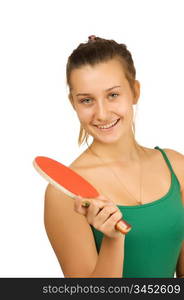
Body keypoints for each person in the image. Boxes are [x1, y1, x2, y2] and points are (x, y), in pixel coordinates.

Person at [44, 35, 184, 278]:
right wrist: (113, 240)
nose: (101, 113)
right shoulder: (63, 193)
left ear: (135, 92)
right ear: (73, 104)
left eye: (112, 95)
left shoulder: (177, 166)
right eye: (86, 100)